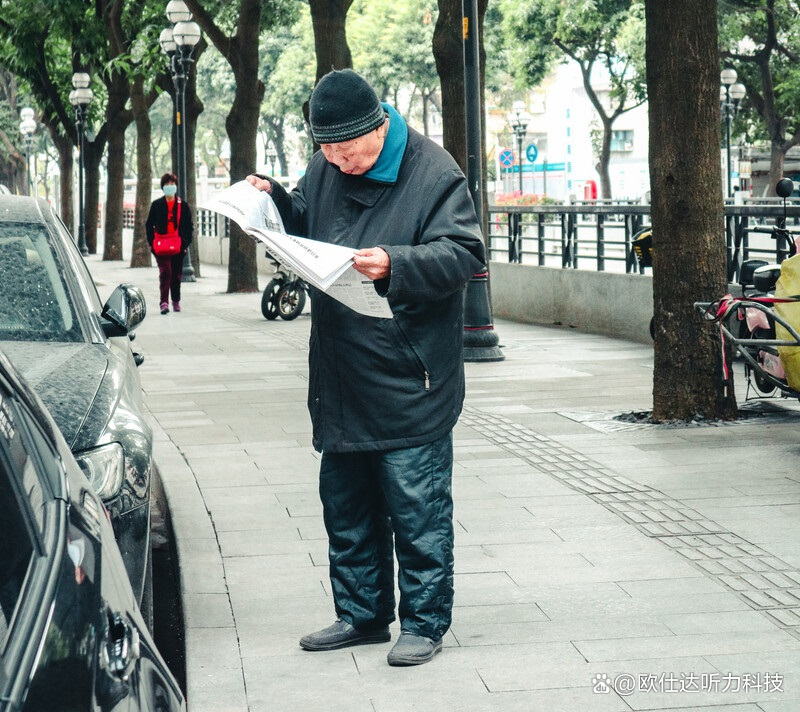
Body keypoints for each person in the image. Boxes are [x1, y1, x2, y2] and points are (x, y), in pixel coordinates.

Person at [247, 69, 485, 666]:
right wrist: (273, 201)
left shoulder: (435, 172)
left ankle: (424, 624)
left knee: (417, 510)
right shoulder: (327, 165)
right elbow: (308, 218)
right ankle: (360, 614)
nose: (339, 161)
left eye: (349, 150)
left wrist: (395, 264)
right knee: (346, 507)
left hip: (409, 374)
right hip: (342, 372)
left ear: (379, 126)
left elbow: (462, 253)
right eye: (327, 151)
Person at [145, 172, 193, 314]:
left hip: (178, 246)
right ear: (163, 187)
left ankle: (176, 301)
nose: (170, 187)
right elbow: (149, 225)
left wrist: (185, 244)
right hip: (161, 246)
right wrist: (152, 244)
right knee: (165, 272)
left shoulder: (183, 205)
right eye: (167, 185)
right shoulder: (157, 205)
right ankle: (164, 303)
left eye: (172, 184)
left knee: (176, 275)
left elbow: (189, 226)